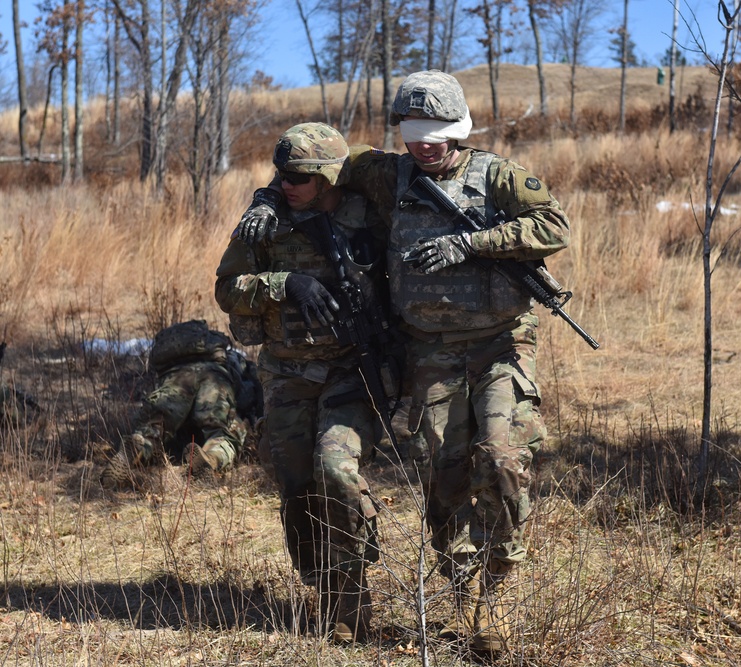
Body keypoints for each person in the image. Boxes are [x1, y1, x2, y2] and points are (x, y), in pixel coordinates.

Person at [237, 70, 571, 656]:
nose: (425, 144)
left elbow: (554, 226)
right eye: (414, 132)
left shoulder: (497, 176)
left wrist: (472, 243)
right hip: (427, 351)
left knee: (502, 458)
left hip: (499, 344)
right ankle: (463, 592)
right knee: (442, 483)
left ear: (461, 128)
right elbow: (311, 168)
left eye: (438, 132)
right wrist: (265, 198)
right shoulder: (386, 174)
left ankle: (496, 599)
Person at [216, 122, 394, 644]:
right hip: (288, 373)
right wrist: (286, 284)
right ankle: (321, 587)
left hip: (349, 371)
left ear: (328, 177)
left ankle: (351, 599)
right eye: (280, 175)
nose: (286, 183)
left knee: (335, 469)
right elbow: (227, 289)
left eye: (299, 176)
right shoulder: (264, 225)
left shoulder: (367, 212)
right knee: (296, 487)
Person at [99, 320, 260, 488]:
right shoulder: (236, 362)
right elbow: (251, 395)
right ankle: (211, 458)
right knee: (223, 433)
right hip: (214, 382)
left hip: (175, 379)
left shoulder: (173, 363)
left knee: (154, 428)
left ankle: (136, 446)